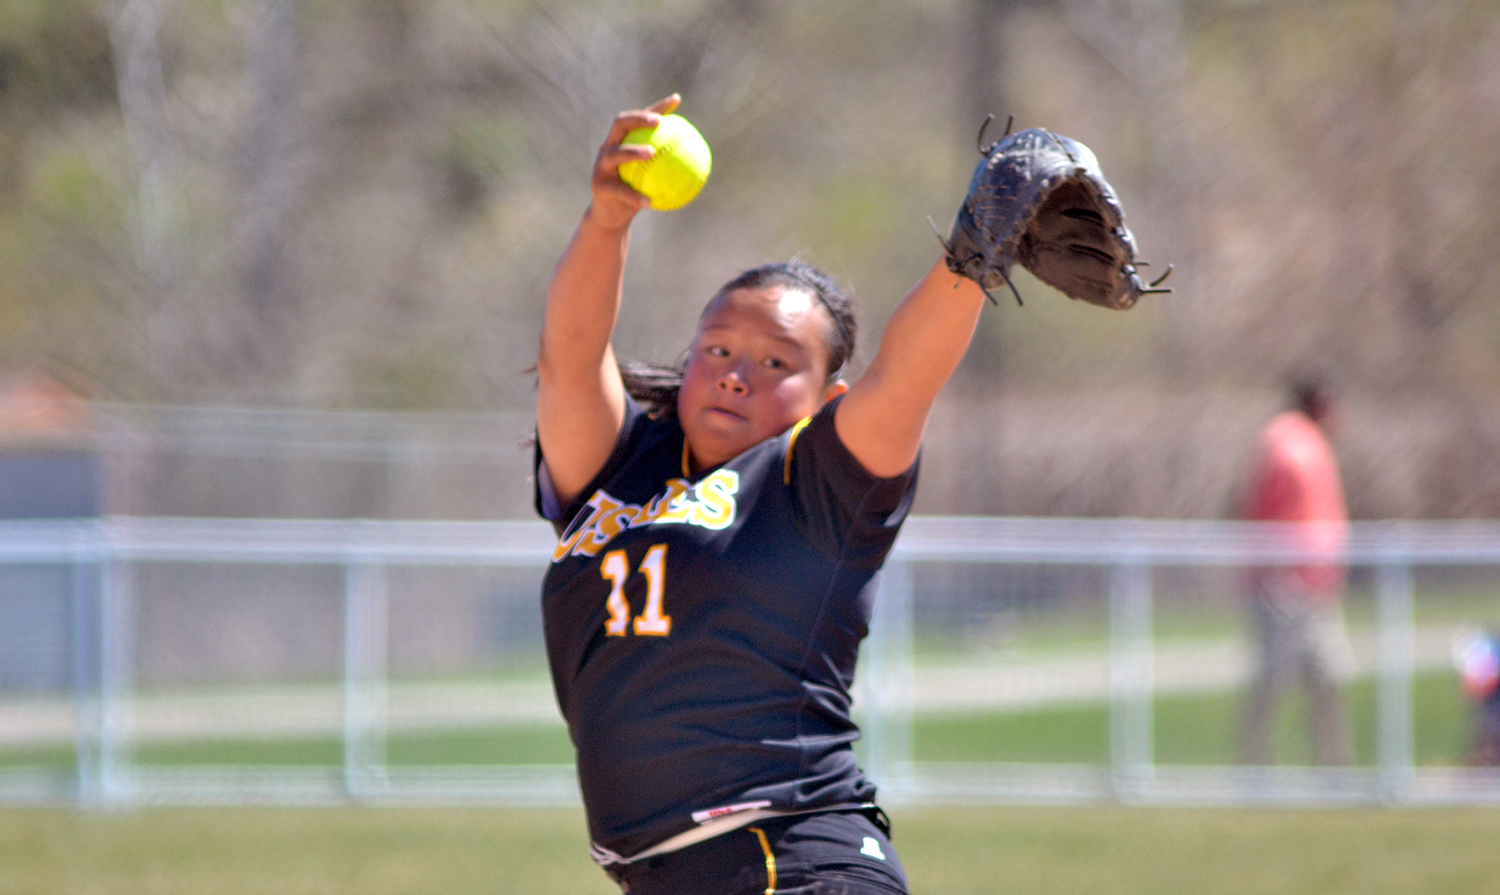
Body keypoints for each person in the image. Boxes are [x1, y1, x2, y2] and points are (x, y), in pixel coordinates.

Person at [533, 93, 994, 895]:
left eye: (778, 362)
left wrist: (978, 255)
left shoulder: (815, 483)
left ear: (828, 395)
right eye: (717, 347)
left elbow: (908, 376)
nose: (737, 372)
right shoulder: (619, 467)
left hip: (793, 861)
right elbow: (571, 358)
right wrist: (607, 221)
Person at [1239, 370, 1355, 767]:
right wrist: (1271, 569)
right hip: (1285, 584)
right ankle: (1255, 769)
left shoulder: (1315, 443)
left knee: (1329, 677)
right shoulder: (1287, 442)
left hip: (1317, 585)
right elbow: (1263, 509)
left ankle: (1334, 769)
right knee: (1274, 681)